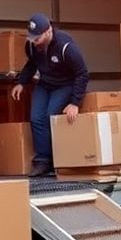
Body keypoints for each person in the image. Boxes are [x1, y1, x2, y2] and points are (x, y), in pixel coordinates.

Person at [10, 13, 89, 177]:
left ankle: (58, 160)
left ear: (48, 32)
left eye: (37, 38)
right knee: (36, 118)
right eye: (31, 38)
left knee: (50, 115)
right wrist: (21, 82)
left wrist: (75, 102)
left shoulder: (66, 47)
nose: (34, 41)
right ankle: (42, 161)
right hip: (45, 84)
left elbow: (82, 73)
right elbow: (32, 64)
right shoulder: (31, 46)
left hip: (65, 84)